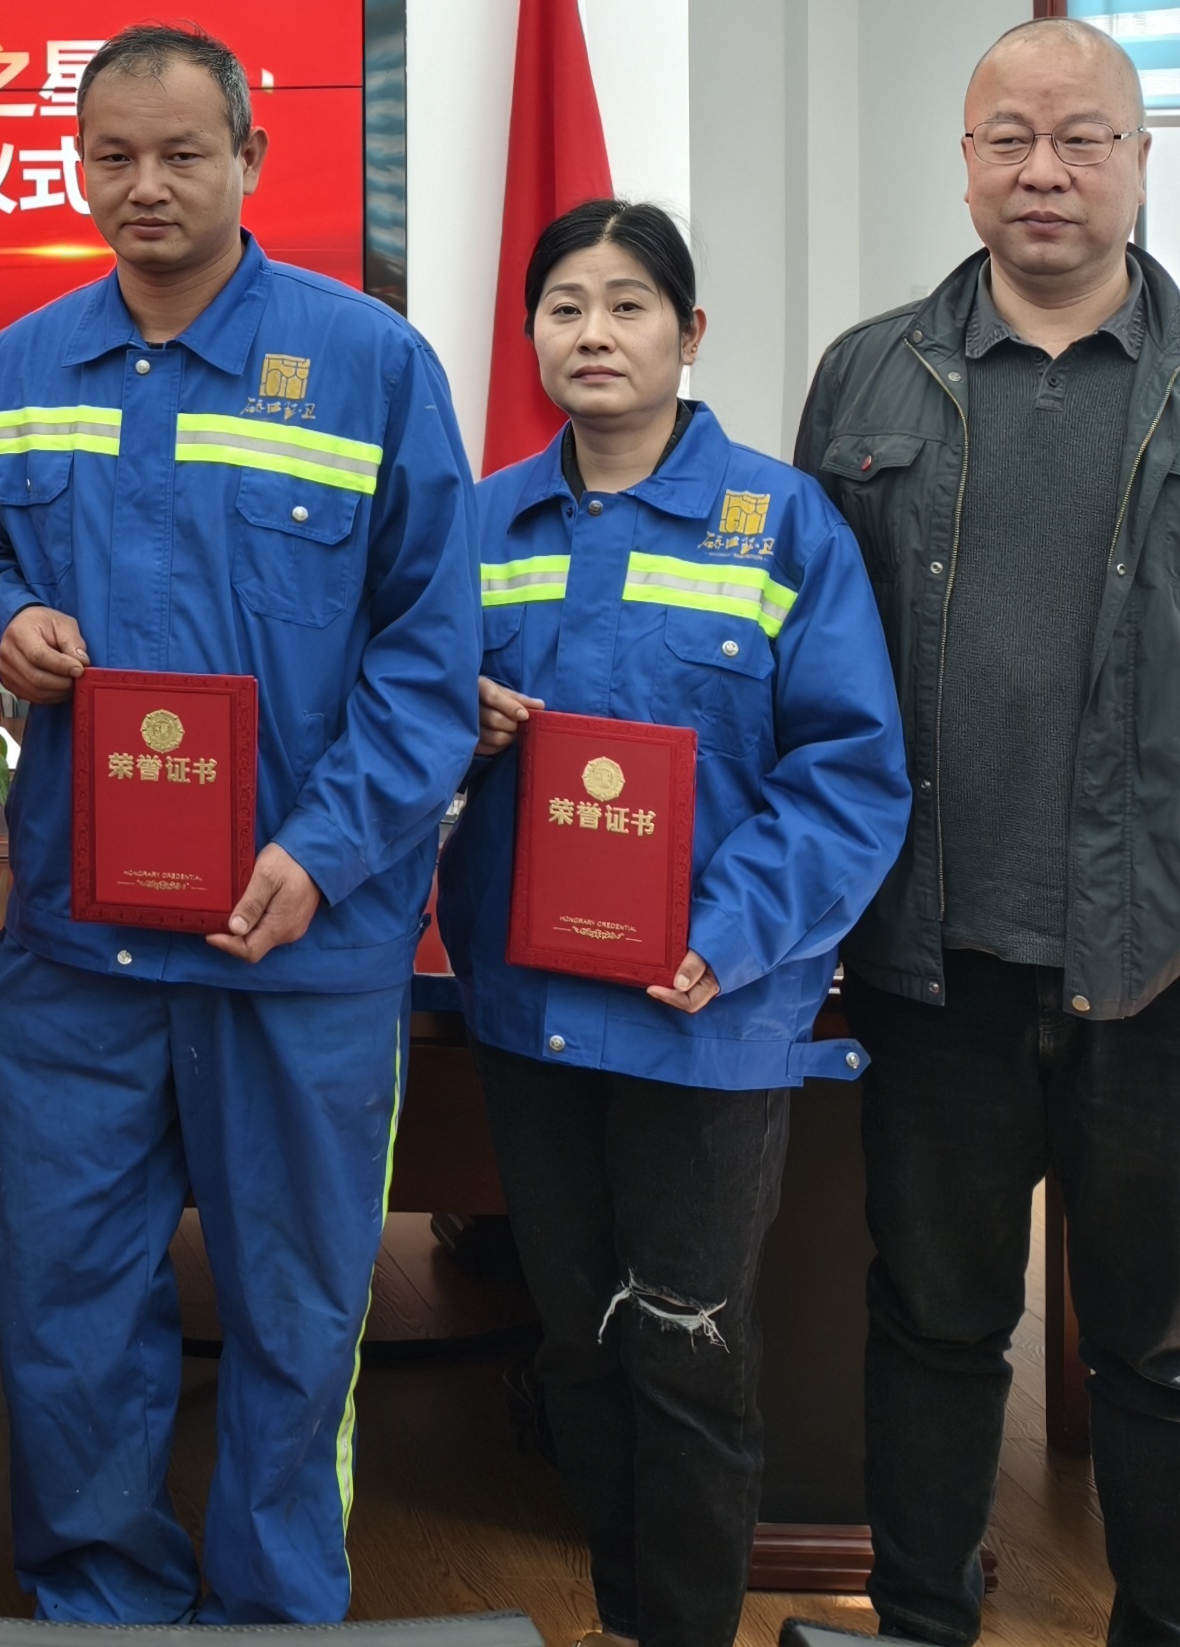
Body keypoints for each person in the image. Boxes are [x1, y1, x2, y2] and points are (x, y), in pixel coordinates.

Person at [795, 18, 1180, 1647]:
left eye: (1082, 139)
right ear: (966, 161)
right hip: (935, 956)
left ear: (1140, 161)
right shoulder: (868, 376)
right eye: (1009, 137)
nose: (1043, 170)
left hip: (1176, 969)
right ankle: (919, 1626)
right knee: (930, 1328)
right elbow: (797, 654)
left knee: (1174, 1355)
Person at [0, 23, 474, 1626]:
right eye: (113, 156)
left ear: (251, 158)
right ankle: (100, 1601)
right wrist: (5, 616)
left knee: (298, 1316)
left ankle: (273, 1613)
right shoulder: (17, 368)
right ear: (77, 167)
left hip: (294, 943)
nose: (144, 186)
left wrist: (321, 853)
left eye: (180, 154)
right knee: (68, 1307)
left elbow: (431, 657)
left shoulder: (371, 366)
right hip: (79, 945)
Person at [440, 199, 910, 1647]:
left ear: (689, 333)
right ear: (532, 335)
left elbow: (850, 774)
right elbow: (393, 728)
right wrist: (455, 724)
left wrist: (730, 933)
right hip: (529, 1009)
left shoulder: (784, 523)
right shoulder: (480, 523)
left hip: (705, 1010)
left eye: (630, 304)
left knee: (688, 1354)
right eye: (566, 306)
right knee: (577, 1351)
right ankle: (625, 1617)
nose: (596, 332)